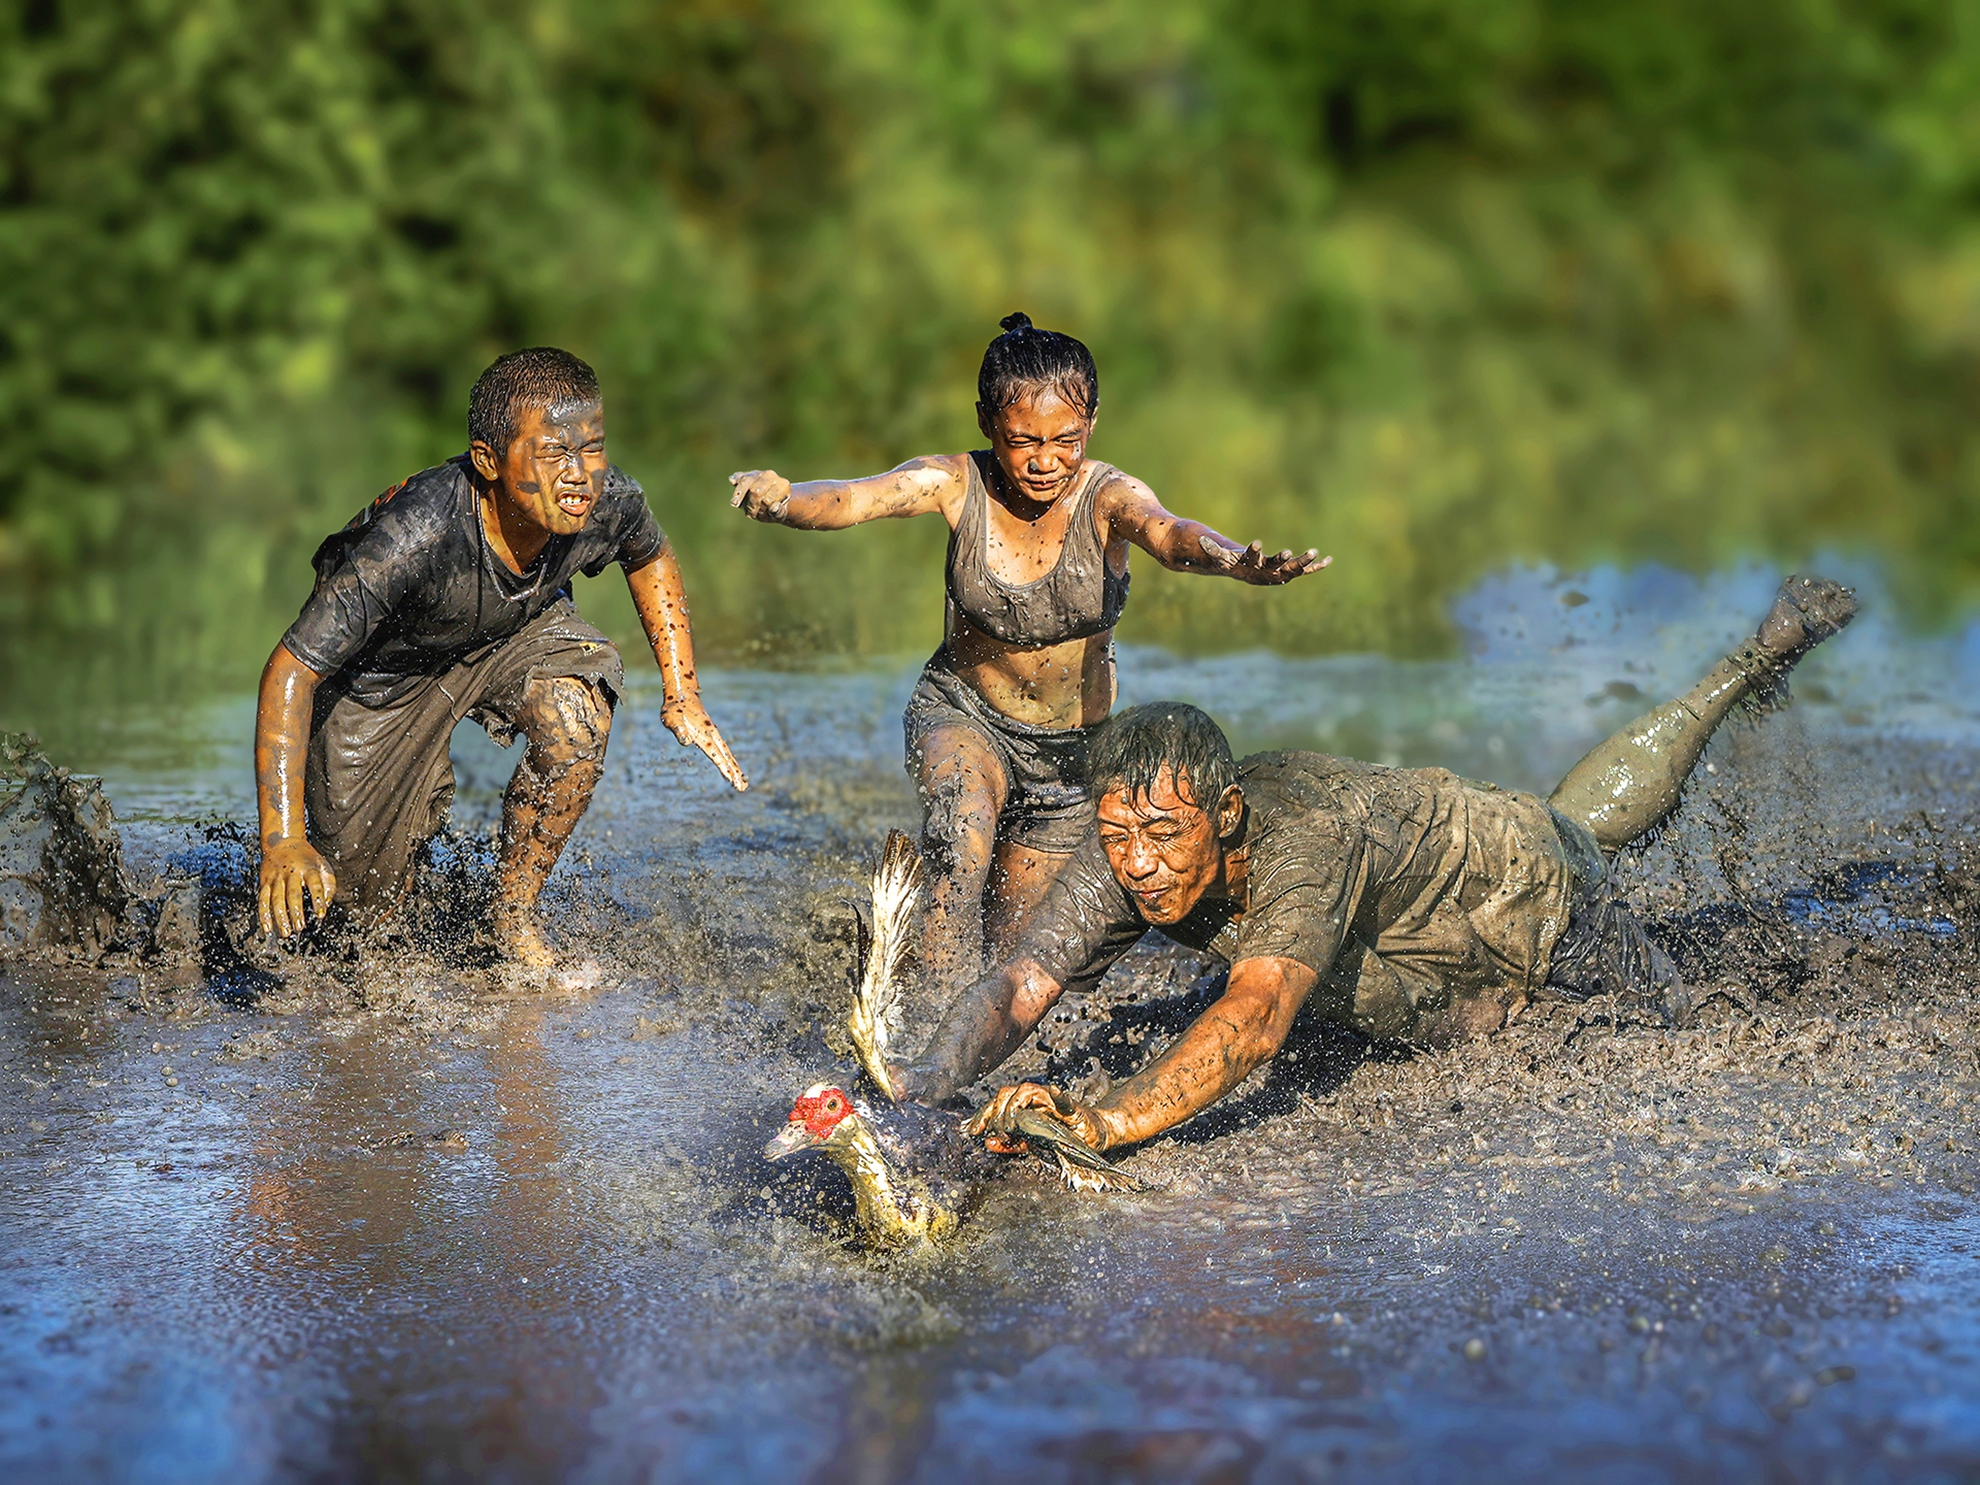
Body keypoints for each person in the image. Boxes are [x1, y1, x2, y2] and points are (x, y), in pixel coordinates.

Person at [878, 575, 1859, 1154]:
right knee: (1581, 824)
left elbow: (1256, 1023)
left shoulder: (1299, 837)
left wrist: (1099, 1121)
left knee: (1669, 1010)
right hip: (1416, 916)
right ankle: (1748, 658)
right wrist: (926, 1084)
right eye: (1119, 837)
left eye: (1164, 839)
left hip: (1529, 893)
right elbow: (1020, 983)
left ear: (1226, 817)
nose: (1136, 865)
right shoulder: (1125, 837)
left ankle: (1750, 660)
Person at [728, 312, 1328, 997]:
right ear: (987, 424)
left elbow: (1171, 534)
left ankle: (958, 1028)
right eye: (1023, 442)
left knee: (1020, 962)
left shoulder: (1108, 498)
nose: (1045, 461)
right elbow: (858, 496)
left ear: (1092, 424)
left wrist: (1229, 560)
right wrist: (784, 500)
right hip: (964, 713)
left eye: (1065, 441)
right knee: (962, 830)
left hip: (1071, 757)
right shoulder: (955, 484)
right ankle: (918, 1030)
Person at [253, 347, 747, 965]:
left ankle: (509, 920)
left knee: (575, 719)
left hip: (513, 634)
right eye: (551, 454)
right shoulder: (415, 536)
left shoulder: (604, 498)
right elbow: (292, 670)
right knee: (357, 925)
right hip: (382, 683)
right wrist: (281, 838)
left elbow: (650, 554)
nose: (577, 475)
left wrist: (683, 692)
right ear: (489, 460)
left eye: (590, 448)